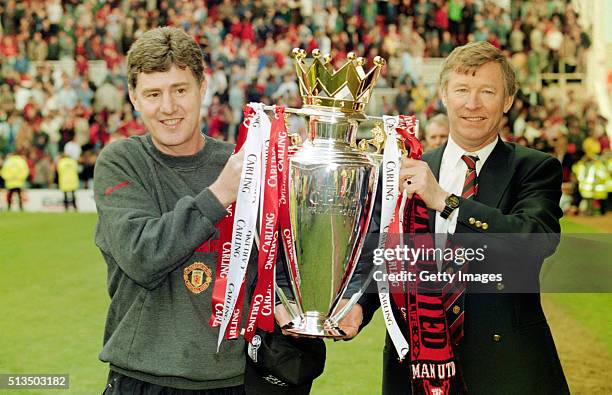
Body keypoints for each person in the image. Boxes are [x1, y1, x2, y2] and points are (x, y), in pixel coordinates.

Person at [341, 41, 569, 394]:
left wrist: (446, 201)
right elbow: (384, 256)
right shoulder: (407, 168)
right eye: (462, 90)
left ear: (507, 100)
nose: (472, 103)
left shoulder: (536, 168)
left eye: (487, 91)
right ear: (444, 95)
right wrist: (359, 305)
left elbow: (534, 240)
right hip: (416, 365)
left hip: (506, 367)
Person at [93, 27, 247, 394]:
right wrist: (220, 194)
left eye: (180, 90)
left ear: (202, 87)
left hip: (235, 379)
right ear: (133, 97)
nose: (168, 107)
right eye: (153, 94)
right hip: (145, 378)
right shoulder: (121, 162)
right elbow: (143, 255)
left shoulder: (240, 163)